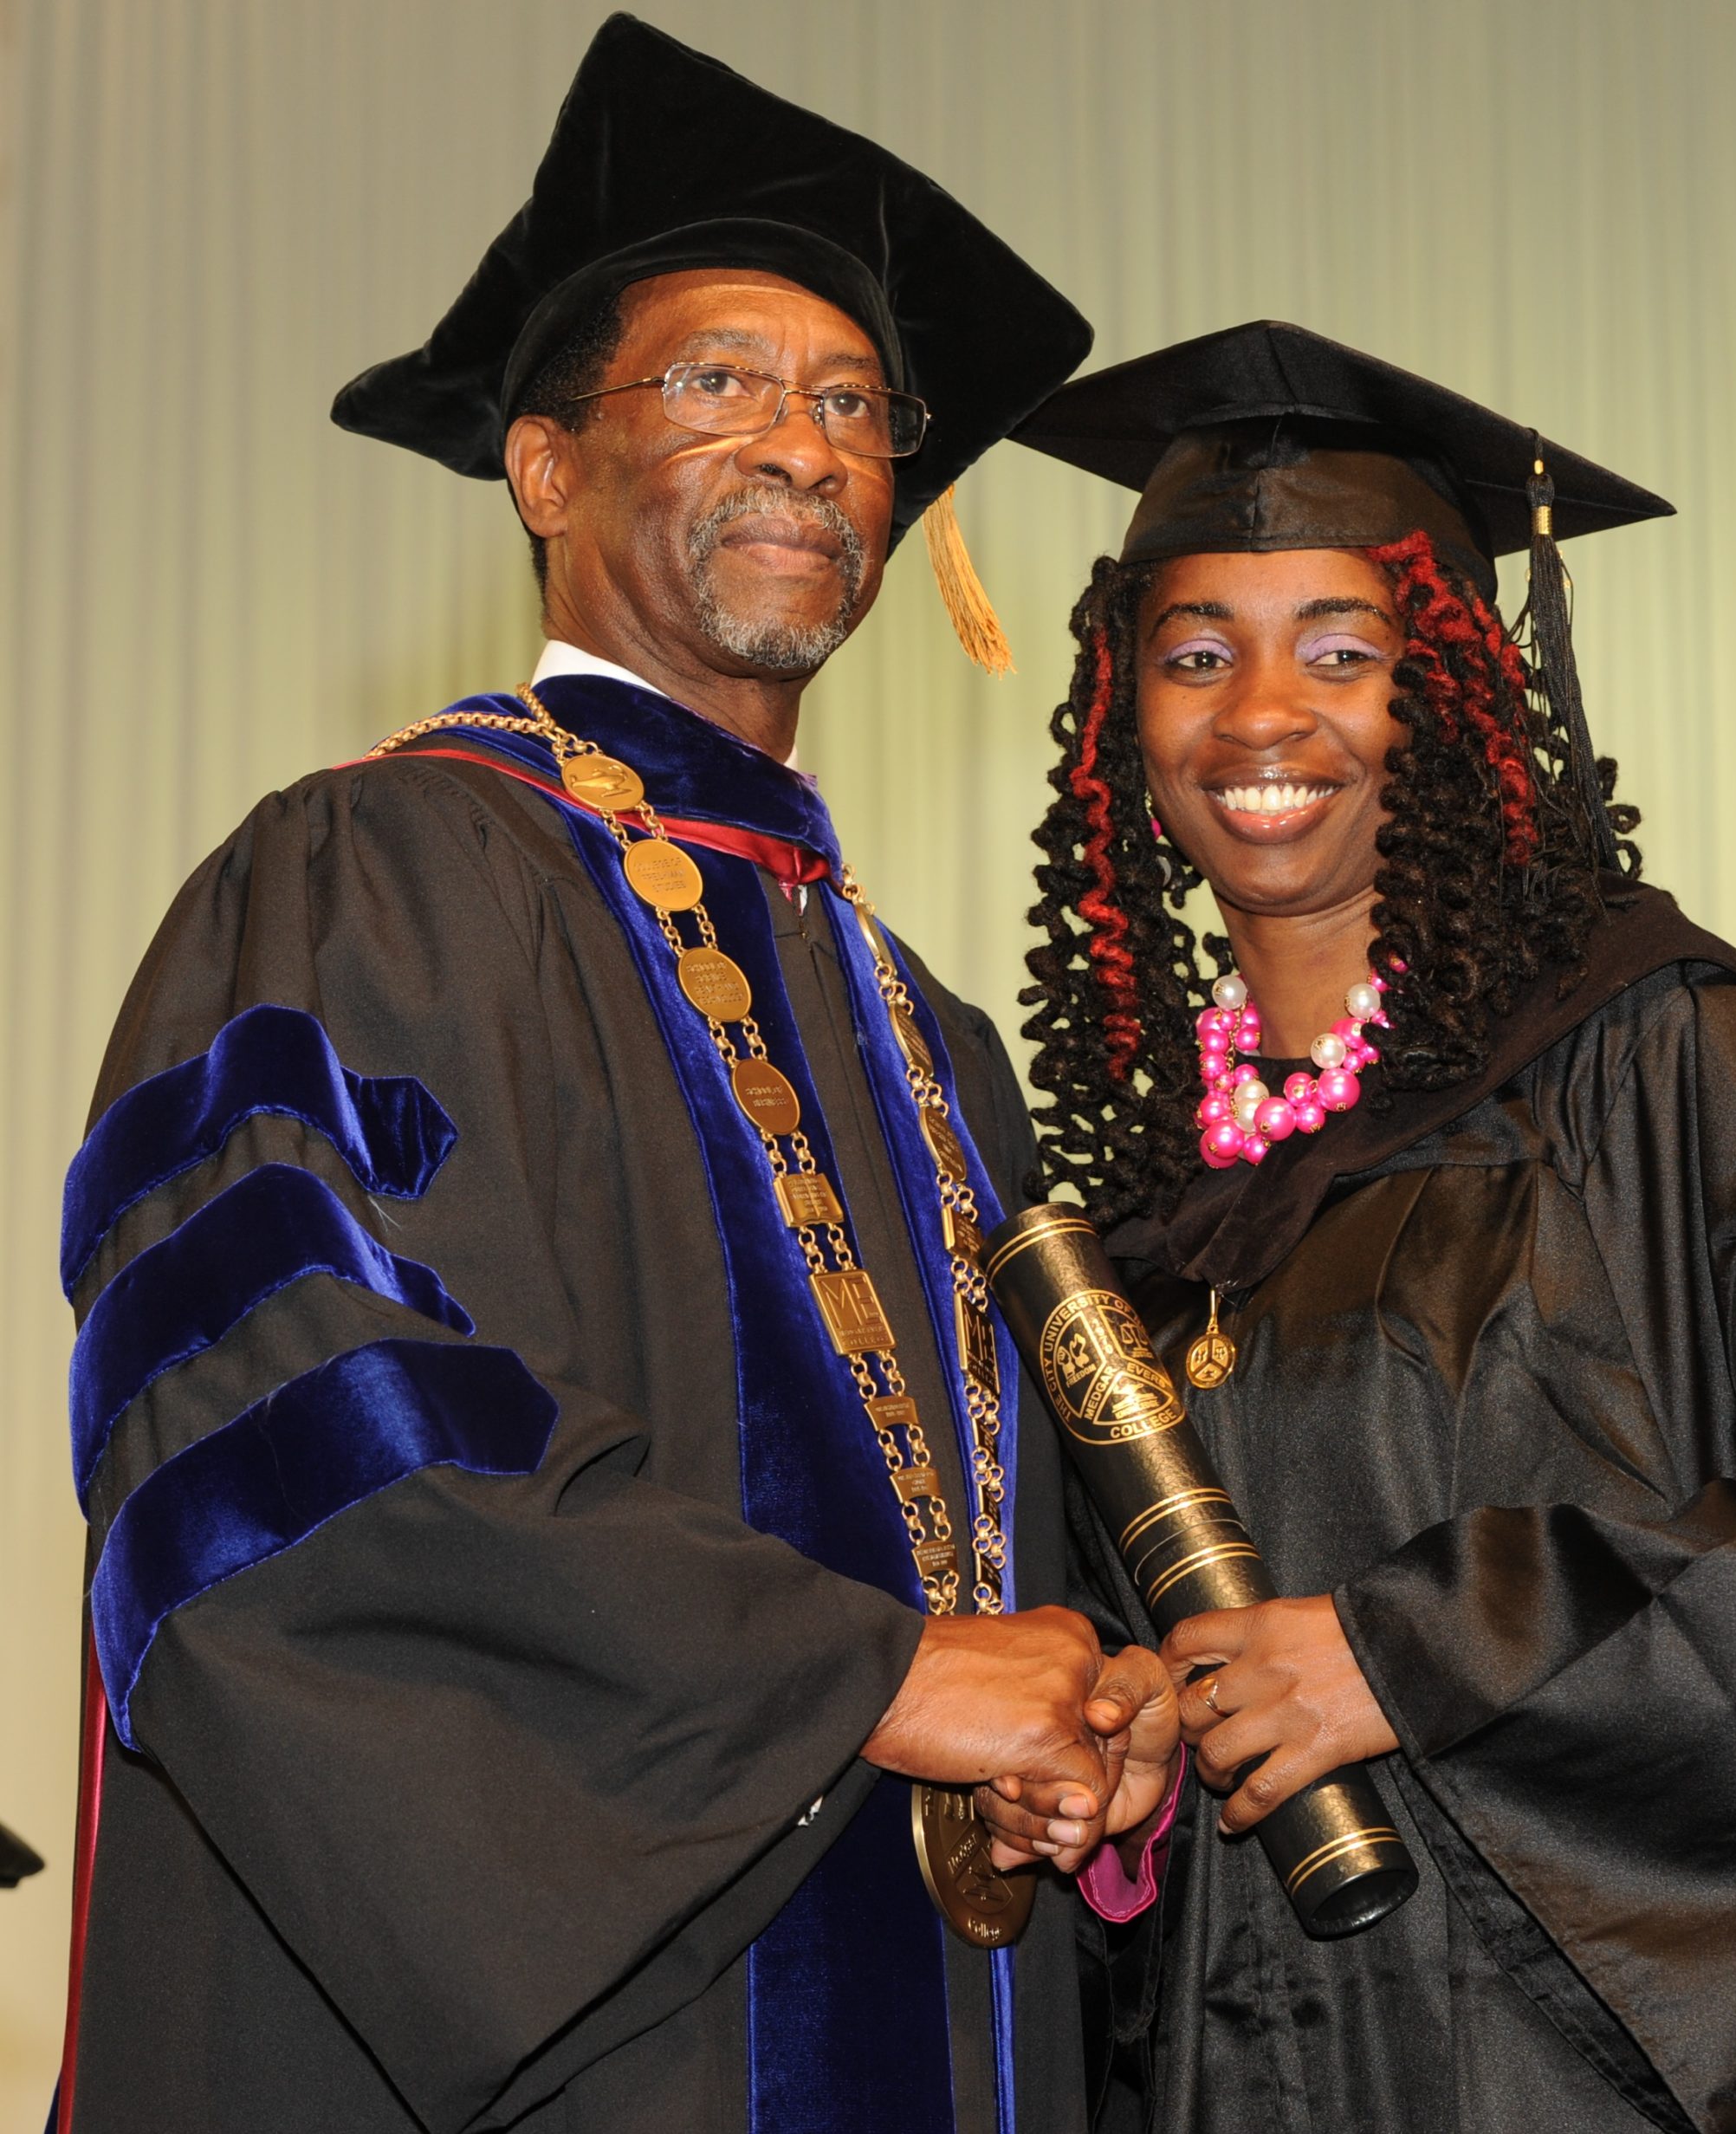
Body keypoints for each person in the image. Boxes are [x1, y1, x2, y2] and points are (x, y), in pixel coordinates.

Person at [51, 17, 1175, 2133]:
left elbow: (1003, 1547)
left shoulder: (927, 1031)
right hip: (565, 2040)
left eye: (854, 407)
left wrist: (1084, 1725)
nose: (806, 444)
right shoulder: (370, 871)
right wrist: (872, 1679)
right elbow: (279, 1439)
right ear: (544, 467)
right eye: (721, 381)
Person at [984, 321, 1736, 2134]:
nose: (1258, 715)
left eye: (1341, 649)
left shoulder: (1674, 1067)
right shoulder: (1139, 1223)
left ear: (1454, 694)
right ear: (1117, 725)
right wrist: (1115, 1761)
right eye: (1192, 655)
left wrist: (1410, 1646)